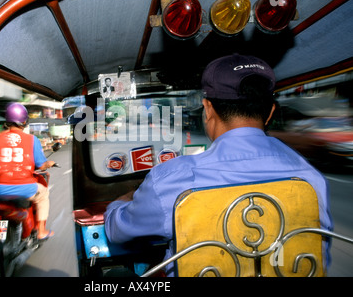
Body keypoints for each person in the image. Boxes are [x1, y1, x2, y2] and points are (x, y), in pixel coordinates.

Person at [104, 54, 333, 276]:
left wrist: (122, 201)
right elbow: (317, 255)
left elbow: (118, 231)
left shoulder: (172, 179)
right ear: (270, 112)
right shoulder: (310, 177)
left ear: (208, 109)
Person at [0, 102, 56, 240]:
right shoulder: (32, 140)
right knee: (44, 194)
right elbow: (40, 164)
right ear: (24, 121)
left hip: (1, 190)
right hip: (26, 190)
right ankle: (41, 231)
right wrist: (48, 163)